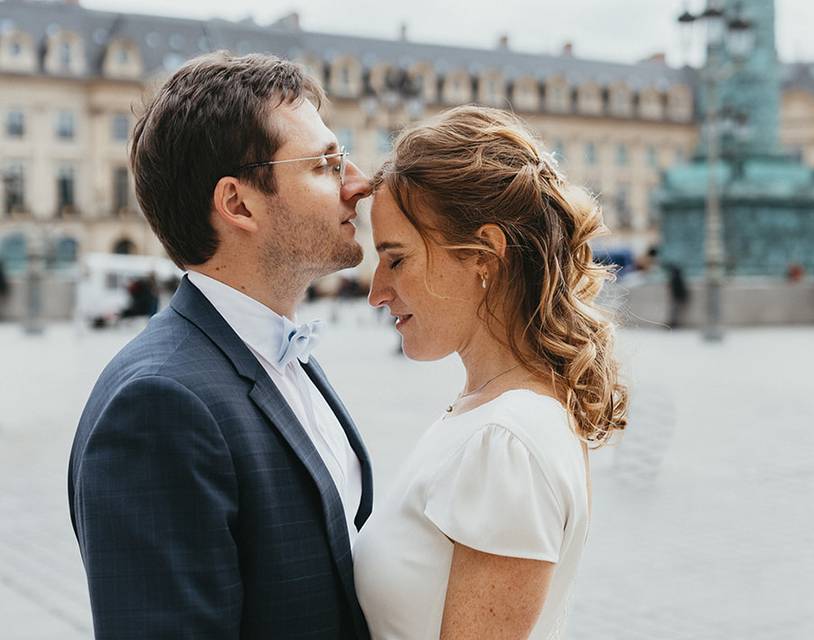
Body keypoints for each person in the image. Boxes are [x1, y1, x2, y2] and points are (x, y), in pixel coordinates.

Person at [68, 52, 374, 638]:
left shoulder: (274, 350)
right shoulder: (159, 405)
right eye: (326, 163)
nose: (358, 184)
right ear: (238, 203)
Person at [354, 105, 628, 639]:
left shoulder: (507, 441)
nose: (376, 292)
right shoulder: (488, 410)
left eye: (397, 259)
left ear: (484, 255)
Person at [667, 264, 689, 329]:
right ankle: (674, 323)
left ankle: (674, 323)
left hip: (677, 298)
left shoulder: (675, 278)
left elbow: (677, 289)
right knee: (675, 311)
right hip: (678, 297)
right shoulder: (679, 278)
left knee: (675, 311)